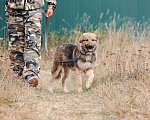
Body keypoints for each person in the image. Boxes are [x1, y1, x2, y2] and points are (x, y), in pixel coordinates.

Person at [5, 0, 57, 87]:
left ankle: (31, 74)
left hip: (34, 9)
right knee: (16, 46)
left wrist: (51, 5)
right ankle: (17, 77)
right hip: (13, 10)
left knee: (32, 43)